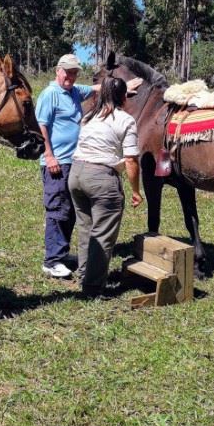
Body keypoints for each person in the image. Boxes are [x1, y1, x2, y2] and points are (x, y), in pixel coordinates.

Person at [35, 54, 141, 278]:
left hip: (75, 161)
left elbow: (95, 89)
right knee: (57, 210)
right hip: (57, 162)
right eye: (68, 72)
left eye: (74, 73)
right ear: (58, 70)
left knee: (71, 210)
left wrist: (121, 88)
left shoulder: (74, 91)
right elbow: (41, 126)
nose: (71, 77)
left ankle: (62, 254)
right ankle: (51, 260)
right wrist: (49, 155)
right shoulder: (50, 94)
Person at [68, 76, 142, 298]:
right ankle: (92, 289)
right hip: (101, 180)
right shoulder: (125, 120)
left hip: (76, 174)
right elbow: (131, 159)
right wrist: (136, 191)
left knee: (86, 229)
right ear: (123, 96)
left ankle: (84, 276)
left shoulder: (89, 117)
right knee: (102, 235)